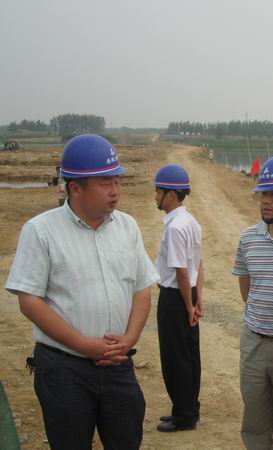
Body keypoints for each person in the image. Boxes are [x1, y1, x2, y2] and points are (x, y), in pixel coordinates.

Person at [5, 134, 159, 449]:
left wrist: (129, 339)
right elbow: (29, 301)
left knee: (126, 440)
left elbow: (142, 287)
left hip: (118, 364)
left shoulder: (127, 226)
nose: (115, 190)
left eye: (117, 180)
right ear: (75, 189)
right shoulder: (41, 231)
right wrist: (83, 345)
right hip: (65, 369)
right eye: (105, 183)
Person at [232, 155, 273, 450]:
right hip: (254, 344)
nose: (266, 202)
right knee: (255, 423)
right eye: (263, 194)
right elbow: (247, 290)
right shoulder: (248, 239)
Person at [153, 164, 204, 432]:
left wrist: (187, 306)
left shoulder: (175, 227)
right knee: (190, 354)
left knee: (175, 357)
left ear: (170, 195)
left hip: (176, 298)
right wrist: (198, 299)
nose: (155, 197)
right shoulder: (191, 221)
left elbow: (181, 271)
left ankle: (183, 415)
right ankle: (189, 408)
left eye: (158, 191)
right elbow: (199, 264)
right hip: (189, 293)